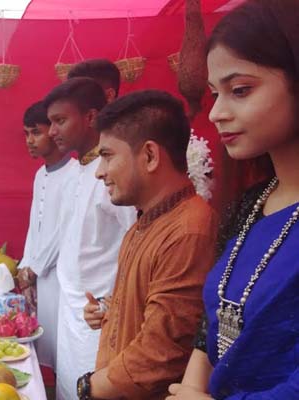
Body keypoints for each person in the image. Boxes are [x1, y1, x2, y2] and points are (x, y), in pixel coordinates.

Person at [168, 1, 299, 399]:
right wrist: (191, 385)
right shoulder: (251, 204)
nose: (217, 113)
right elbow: (218, 321)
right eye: (214, 94)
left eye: (240, 90)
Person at [75, 91, 217, 399]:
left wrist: (89, 387)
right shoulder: (144, 223)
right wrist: (110, 312)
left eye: (108, 155)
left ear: (150, 156)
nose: (99, 171)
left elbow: (160, 352)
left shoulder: (188, 231)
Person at [44, 77, 136, 399]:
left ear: (91, 117)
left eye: (60, 120)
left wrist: (115, 304)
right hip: (69, 312)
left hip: (98, 319)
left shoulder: (113, 173)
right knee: (67, 388)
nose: (52, 131)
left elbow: (135, 240)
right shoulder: (77, 171)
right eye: (51, 122)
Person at [13, 101, 75, 371]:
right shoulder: (40, 175)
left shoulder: (75, 174)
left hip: (61, 278)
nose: (30, 141)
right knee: (41, 344)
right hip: (37, 275)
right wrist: (25, 267)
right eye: (26, 134)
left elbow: (65, 232)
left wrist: (35, 268)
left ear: (53, 131)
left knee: (64, 351)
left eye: (35, 132)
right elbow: (34, 227)